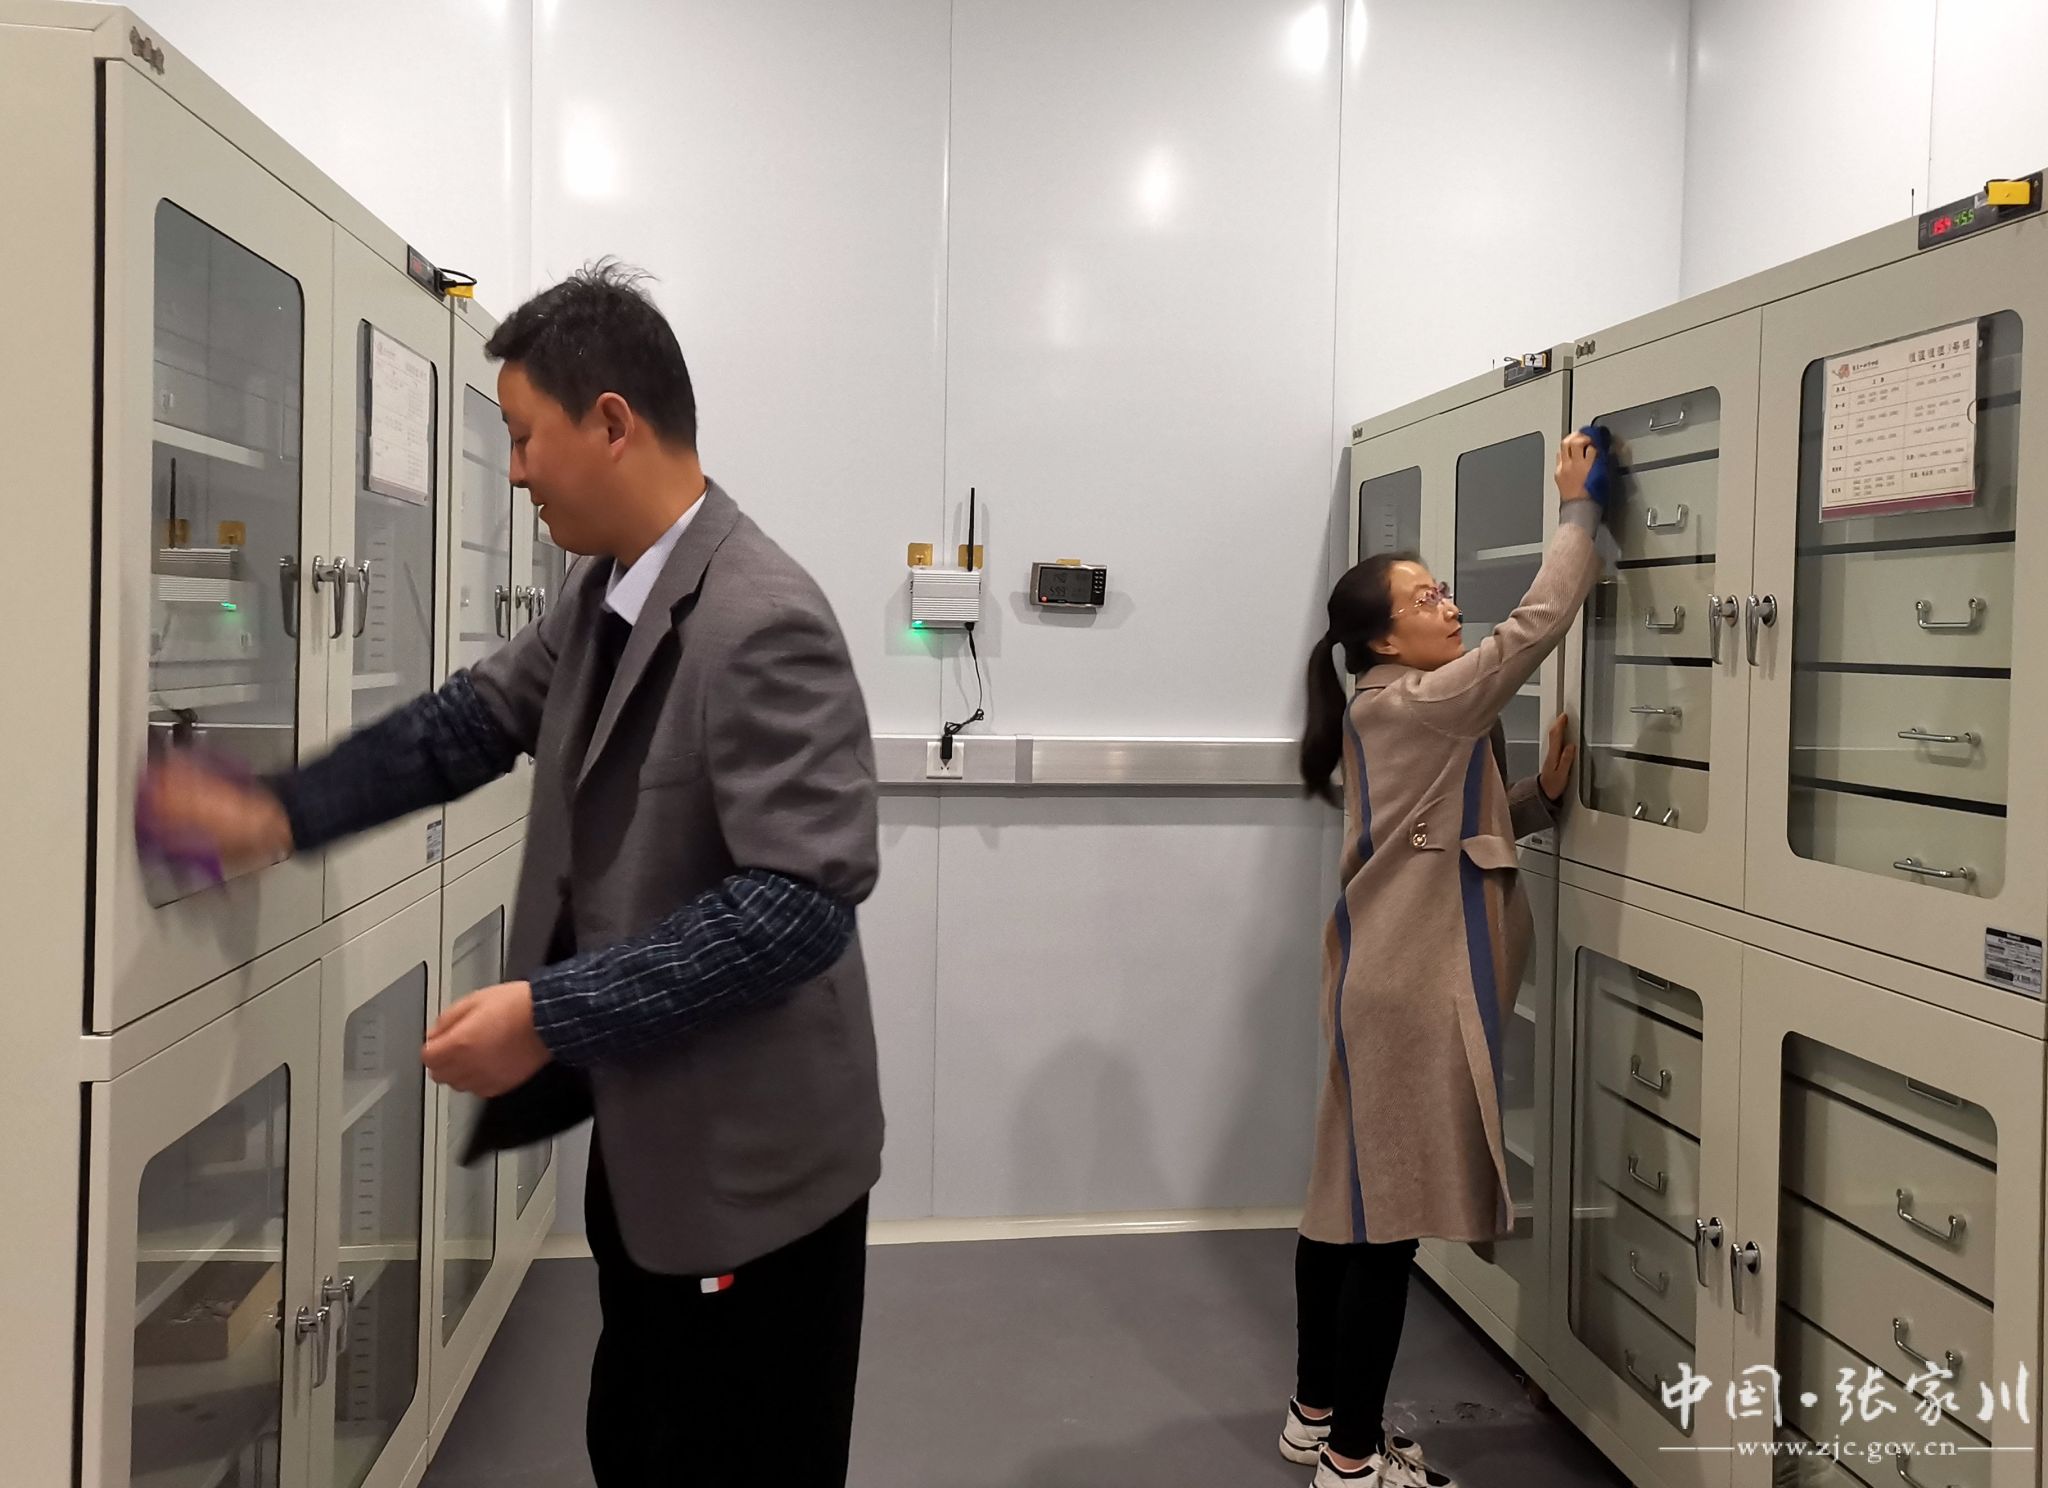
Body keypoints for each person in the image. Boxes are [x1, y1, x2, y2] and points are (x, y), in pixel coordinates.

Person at [137, 262, 884, 1486]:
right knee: (637, 1437)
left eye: (526, 437)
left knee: (735, 1456)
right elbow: (469, 722)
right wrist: (276, 813)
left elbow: (796, 909)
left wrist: (548, 1014)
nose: (519, 470)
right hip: (653, 1146)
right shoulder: (606, 591)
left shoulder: (761, 618)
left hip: (755, 1173)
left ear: (611, 422)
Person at [1281, 434, 1604, 1487]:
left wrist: (1538, 800)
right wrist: (1577, 511)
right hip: (1409, 994)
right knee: (1387, 1234)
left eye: (1443, 590)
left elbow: (1442, 832)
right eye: (1425, 599)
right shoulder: (1420, 701)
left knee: (1344, 1208)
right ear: (1383, 636)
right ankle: (1352, 1460)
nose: (1449, 606)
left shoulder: (1390, 710)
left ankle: (1313, 1416)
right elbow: (1532, 629)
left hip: (1377, 982)